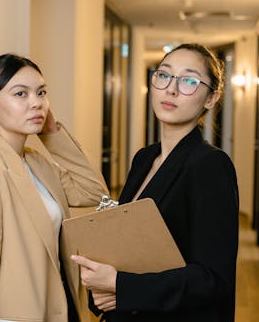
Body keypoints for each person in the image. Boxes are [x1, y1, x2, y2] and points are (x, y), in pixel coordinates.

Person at [71, 43, 239, 322]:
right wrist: (103, 287)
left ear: (211, 98)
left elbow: (213, 280)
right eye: (164, 75)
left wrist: (119, 285)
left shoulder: (210, 166)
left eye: (189, 81)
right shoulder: (144, 158)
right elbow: (124, 245)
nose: (171, 89)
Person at [0, 53, 108, 322]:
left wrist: (51, 132)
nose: (36, 103)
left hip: (61, 305)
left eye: (41, 93)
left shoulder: (36, 162)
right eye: (21, 94)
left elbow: (93, 192)